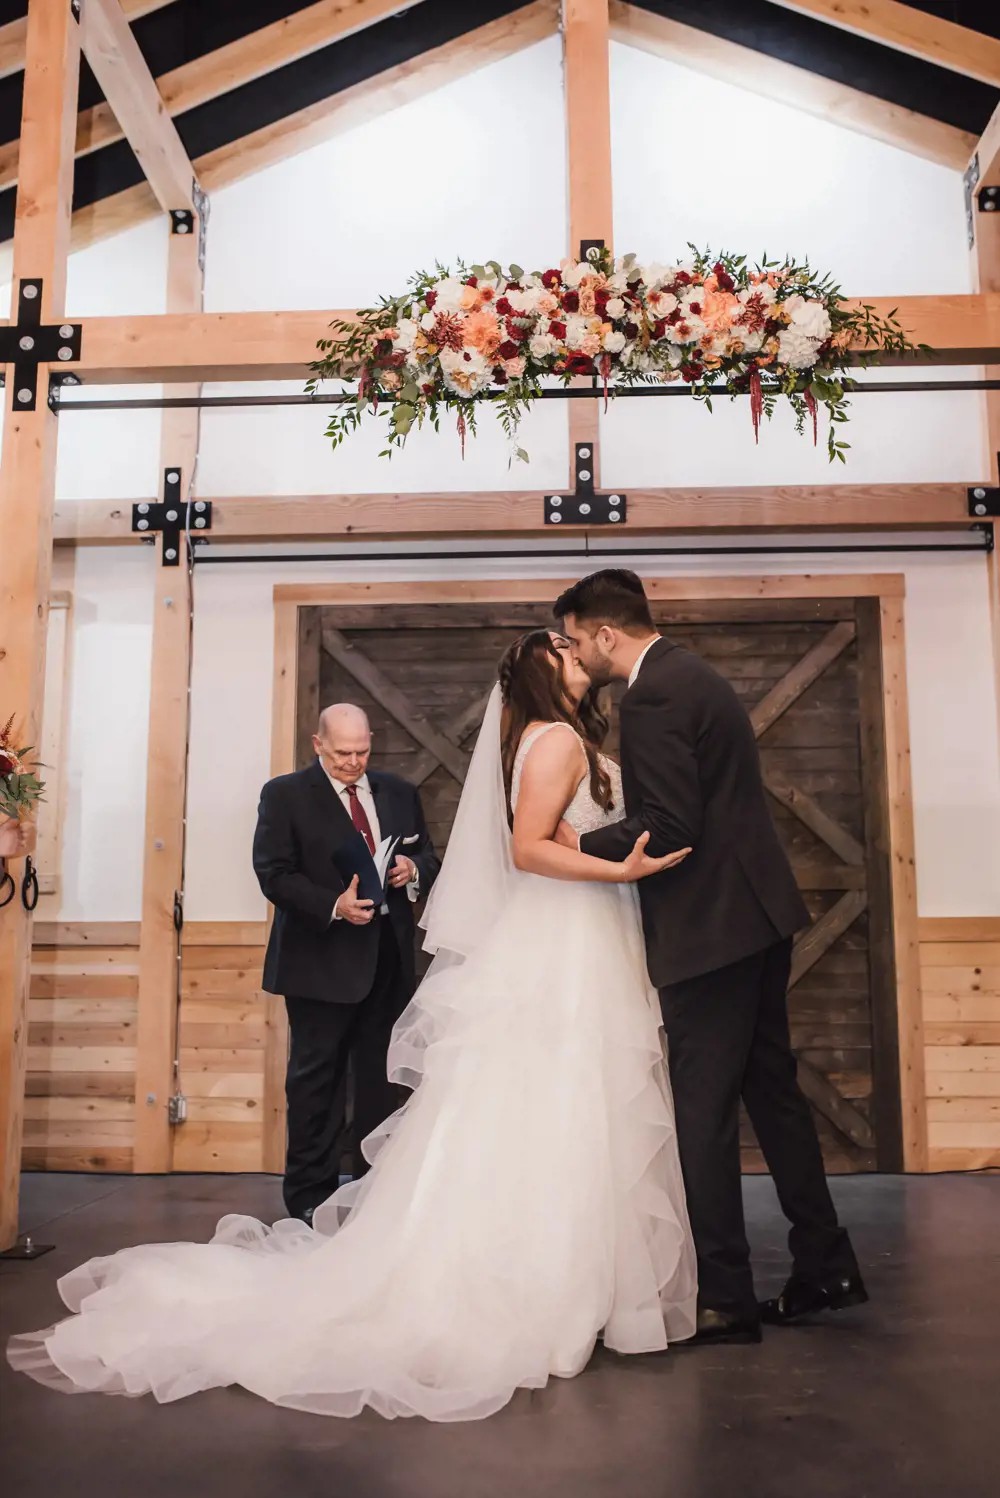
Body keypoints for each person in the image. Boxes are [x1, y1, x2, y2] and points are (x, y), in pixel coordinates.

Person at [8, 631, 696, 1420]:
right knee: (339, 1084)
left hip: (478, 949)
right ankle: (351, 1215)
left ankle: (579, 1272)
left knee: (525, 1100)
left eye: (362, 748)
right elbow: (521, 848)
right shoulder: (533, 745)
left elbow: (487, 848)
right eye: (571, 655)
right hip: (366, 954)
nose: (585, 660)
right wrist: (621, 870)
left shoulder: (432, 782)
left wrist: (416, 873)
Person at [554, 568, 866, 1343]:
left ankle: (724, 1294)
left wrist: (578, 843)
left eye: (573, 640)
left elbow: (671, 821)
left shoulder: (652, 696)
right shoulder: (693, 673)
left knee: (703, 1110)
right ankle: (825, 1263)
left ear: (603, 634)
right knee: (774, 1093)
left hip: (711, 930)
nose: (575, 657)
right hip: (755, 916)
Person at [252, 702, 440, 1223]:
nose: (353, 762)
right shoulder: (285, 795)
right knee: (317, 1085)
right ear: (318, 745)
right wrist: (331, 905)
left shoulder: (398, 792)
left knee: (382, 1085)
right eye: (341, 754)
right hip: (319, 963)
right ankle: (308, 1205)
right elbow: (274, 873)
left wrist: (411, 868)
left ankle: (372, 1199)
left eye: (361, 751)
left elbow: (429, 855)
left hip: (387, 962)